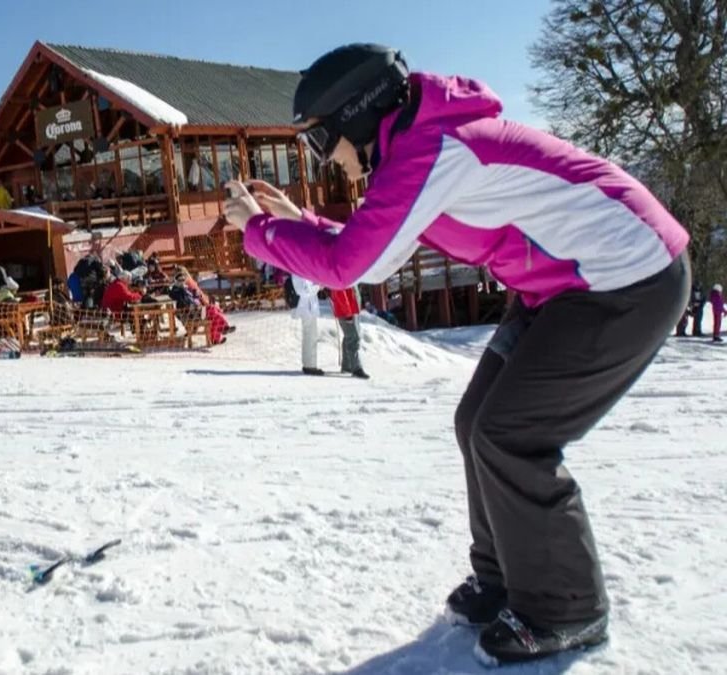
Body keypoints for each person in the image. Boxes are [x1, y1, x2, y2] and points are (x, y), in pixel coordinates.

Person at [224, 43, 689, 664]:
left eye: (320, 142)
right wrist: (296, 221)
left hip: (627, 278)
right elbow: (375, 245)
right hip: (564, 286)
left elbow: (352, 265)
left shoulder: (431, 149)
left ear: (356, 117)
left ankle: (567, 609)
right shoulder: (419, 142)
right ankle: (504, 579)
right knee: (477, 423)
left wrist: (262, 231)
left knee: (510, 435)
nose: (325, 160)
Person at [329, 286, 369, 379]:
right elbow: (340, 293)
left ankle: (347, 365)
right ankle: (356, 368)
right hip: (346, 311)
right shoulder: (341, 276)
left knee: (349, 336)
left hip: (351, 309)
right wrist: (347, 313)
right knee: (353, 337)